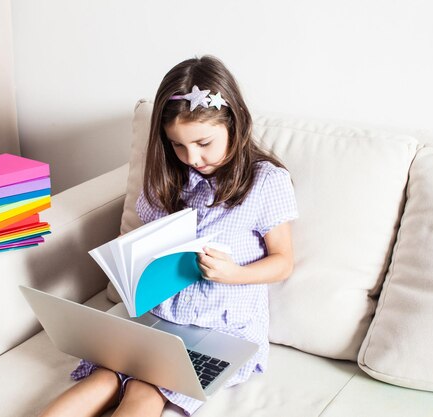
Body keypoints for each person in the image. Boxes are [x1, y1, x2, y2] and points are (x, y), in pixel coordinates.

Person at [38, 55, 298, 417]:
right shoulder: (166, 182)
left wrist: (234, 273)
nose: (191, 157)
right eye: (178, 146)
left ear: (234, 124)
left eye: (204, 143)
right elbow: (150, 251)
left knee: (145, 390)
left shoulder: (265, 183)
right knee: (101, 380)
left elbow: (283, 262)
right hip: (156, 319)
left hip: (222, 329)